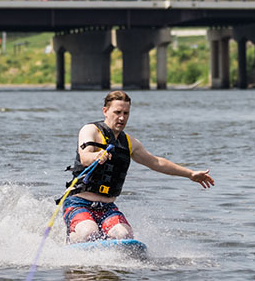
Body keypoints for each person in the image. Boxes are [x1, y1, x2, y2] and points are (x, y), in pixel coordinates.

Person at [62, 90, 215, 243]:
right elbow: (84, 156)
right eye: (117, 112)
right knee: (89, 232)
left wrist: (190, 174)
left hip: (107, 207)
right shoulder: (90, 130)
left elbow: (156, 162)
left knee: (124, 235)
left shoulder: (129, 143)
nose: (122, 118)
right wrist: (96, 156)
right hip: (79, 203)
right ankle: (72, 239)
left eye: (126, 113)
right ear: (105, 111)